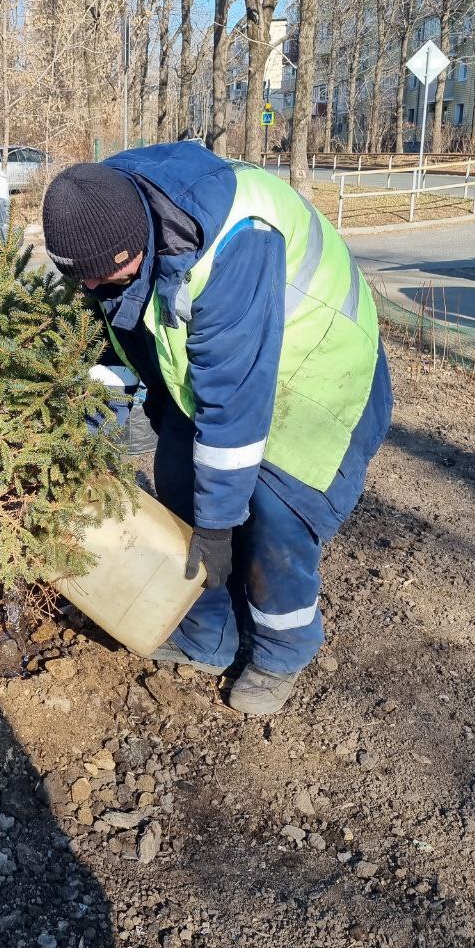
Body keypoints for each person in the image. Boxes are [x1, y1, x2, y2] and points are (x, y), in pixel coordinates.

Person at [42, 143, 392, 716]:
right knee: (179, 485)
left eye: (114, 275)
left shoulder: (235, 240)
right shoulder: (98, 223)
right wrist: (86, 448)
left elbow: (233, 406)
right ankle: (209, 636)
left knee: (276, 515)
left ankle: (283, 649)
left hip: (318, 363)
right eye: (89, 282)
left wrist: (220, 525)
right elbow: (107, 352)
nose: (98, 290)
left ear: (139, 244)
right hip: (219, 365)